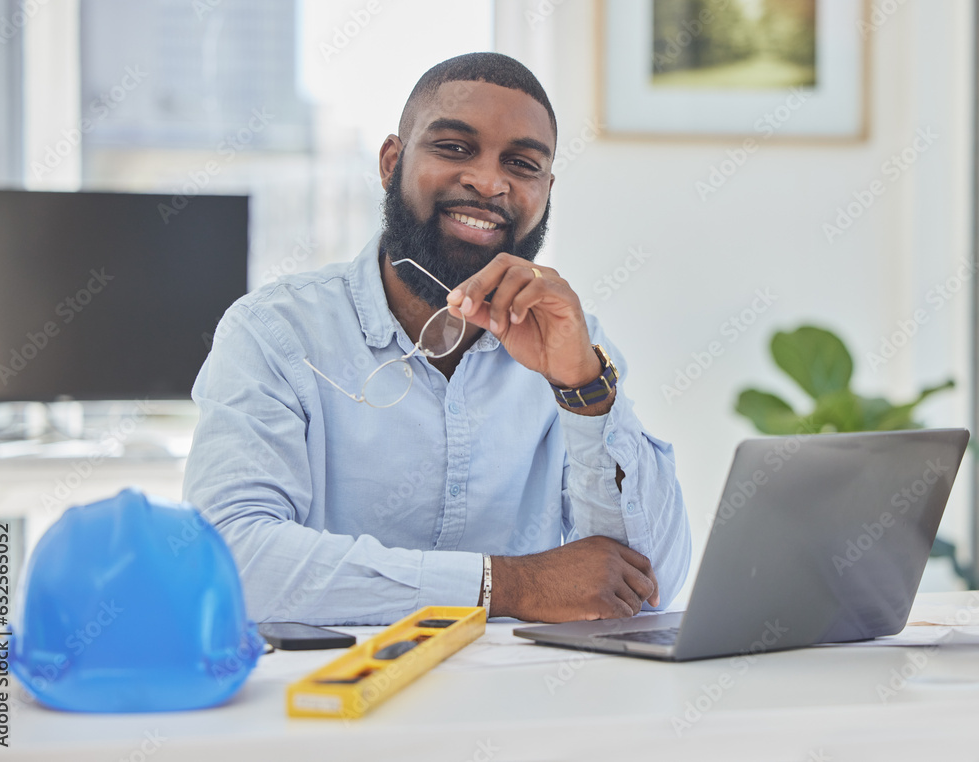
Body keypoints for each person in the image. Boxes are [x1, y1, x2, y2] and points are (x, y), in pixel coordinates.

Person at [183, 52, 691, 626]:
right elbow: (229, 561)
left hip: (533, 704)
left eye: (522, 164)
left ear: (545, 190)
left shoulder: (573, 345)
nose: (487, 181)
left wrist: (583, 390)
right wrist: (508, 586)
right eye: (454, 148)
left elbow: (653, 585)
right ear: (391, 162)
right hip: (333, 705)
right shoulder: (275, 333)